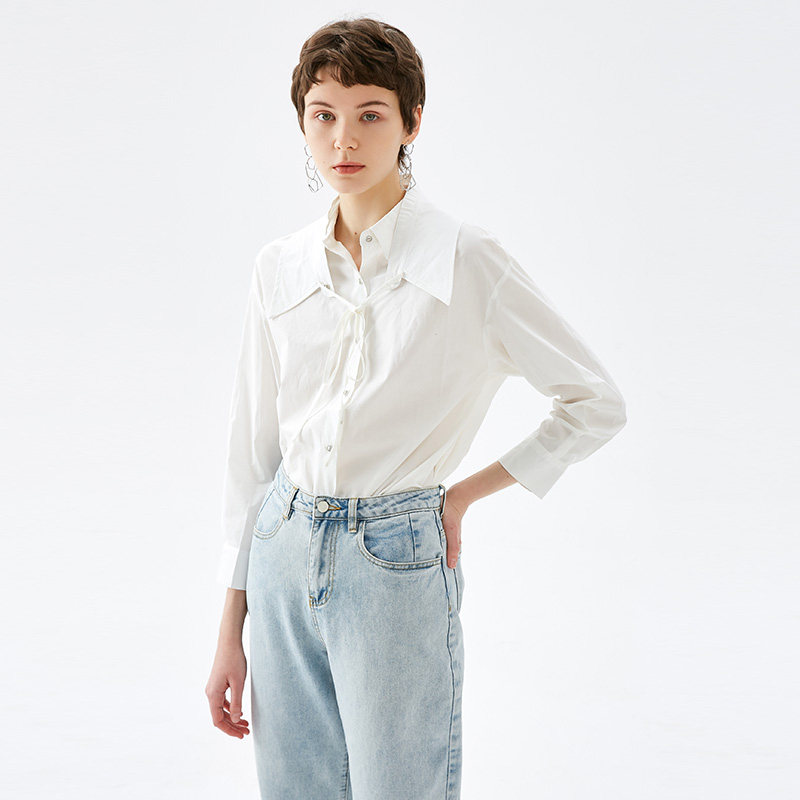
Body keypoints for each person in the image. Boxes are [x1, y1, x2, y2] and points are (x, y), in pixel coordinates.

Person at [205, 16, 627, 800]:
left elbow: (594, 402)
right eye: (323, 115)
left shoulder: (466, 260)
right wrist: (231, 627)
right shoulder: (279, 267)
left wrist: (462, 495)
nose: (344, 140)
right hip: (280, 550)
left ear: (412, 122)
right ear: (302, 123)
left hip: (393, 562)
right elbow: (252, 457)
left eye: (370, 114)